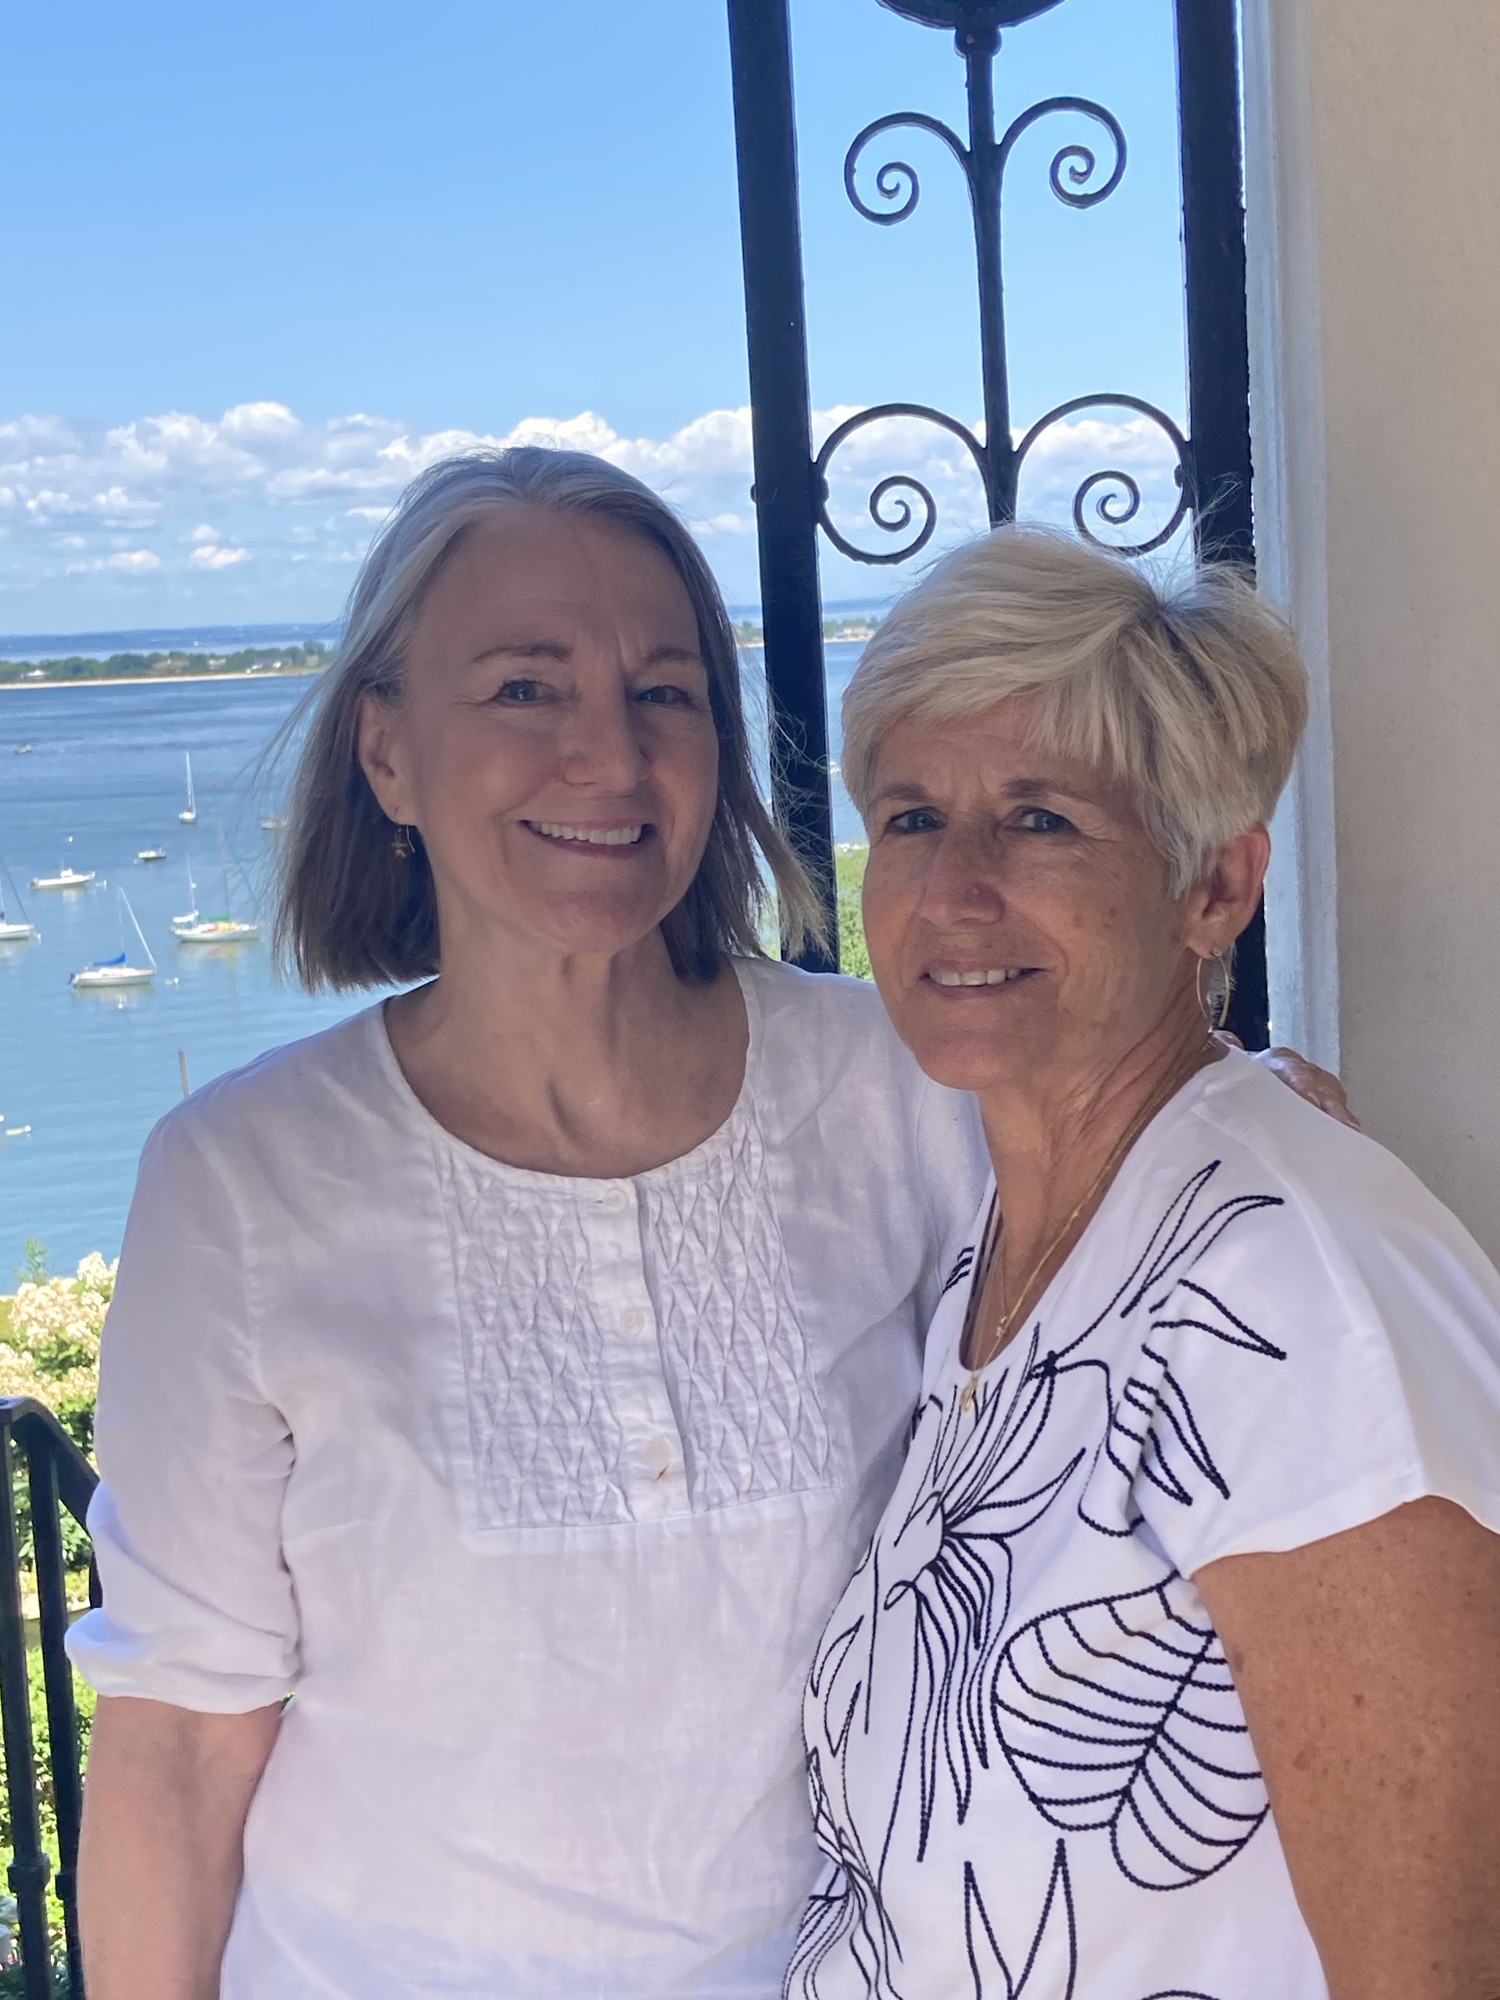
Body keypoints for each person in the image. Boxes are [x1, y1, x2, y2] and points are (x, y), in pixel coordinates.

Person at [66, 451, 1347, 2000]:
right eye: (526, 688)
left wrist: (1252, 1108)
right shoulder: (240, 1178)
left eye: (664, 693)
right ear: (387, 752)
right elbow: (179, 1743)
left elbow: (1142, 1187)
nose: (608, 755)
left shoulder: (906, 1083)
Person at [786, 526, 1500, 2000]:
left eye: (1041, 820)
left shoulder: (1292, 1304)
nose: (953, 889)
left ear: (1215, 888)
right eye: (912, 818)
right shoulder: (1024, 1235)